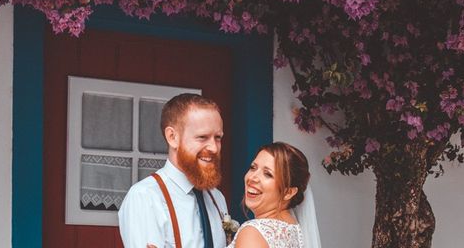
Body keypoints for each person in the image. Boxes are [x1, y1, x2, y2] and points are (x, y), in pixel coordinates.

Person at [118, 93, 229, 248]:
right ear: (172, 137)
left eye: (218, 137)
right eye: (202, 137)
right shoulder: (145, 197)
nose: (214, 148)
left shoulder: (216, 198)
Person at [228, 142, 321, 248]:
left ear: (288, 192)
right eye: (253, 168)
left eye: (268, 174)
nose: (252, 178)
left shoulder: (253, 233)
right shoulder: (294, 231)